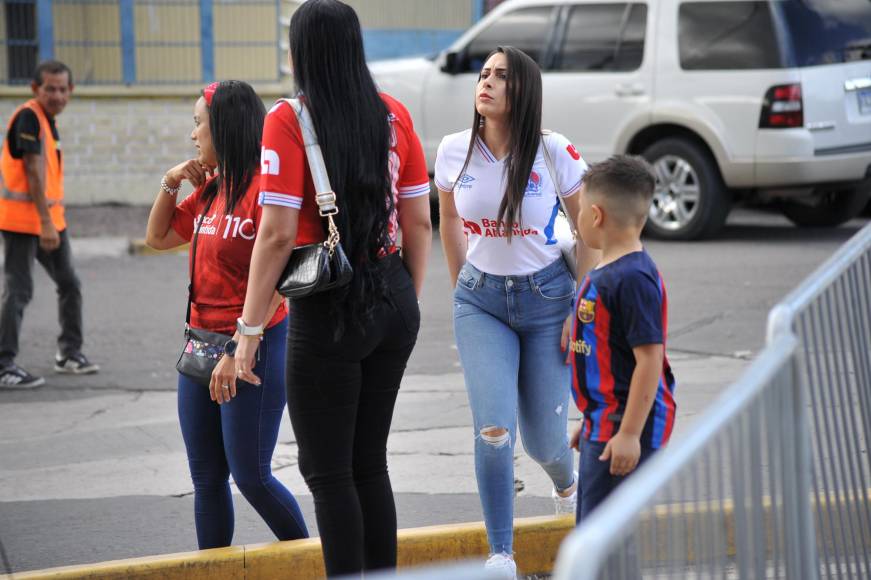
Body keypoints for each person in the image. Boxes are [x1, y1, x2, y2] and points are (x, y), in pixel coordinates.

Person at [233, 1, 432, 575]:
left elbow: (273, 235)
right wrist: (404, 300)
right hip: (393, 290)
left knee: (329, 474)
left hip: (328, 308)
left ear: (302, 53)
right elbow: (418, 221)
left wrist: (248, 331)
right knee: (370, 462)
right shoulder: (394, 114)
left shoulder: (288, 120)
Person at [435, 46, 597, 578]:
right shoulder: (454, 150)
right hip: (481, 302)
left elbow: (591, 232)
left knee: (546, 442)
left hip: (550, 300)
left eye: (500, 76)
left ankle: (567, 485)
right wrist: (463, 284)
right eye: (483, 74)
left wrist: (582, 303)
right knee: (493, 429)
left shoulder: (556, 152)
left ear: (522, 90)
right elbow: (449, 222)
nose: (486, 82)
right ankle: (501, 554)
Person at [145, 80, 308, 549]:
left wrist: (239, 346)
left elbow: (283, 279)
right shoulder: (212, 190)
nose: (193, 135)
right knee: (207, 478)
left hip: (252, 343)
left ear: (225, 127)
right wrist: (170, 182)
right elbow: (158, 237)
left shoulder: (264, 189)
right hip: (200, 342)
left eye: (199, 123)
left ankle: (315, 565)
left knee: (252, 476)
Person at [562, 155, 677, 525]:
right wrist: (594, 415)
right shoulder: (610, 270)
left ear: (596, 216)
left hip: (625, 432)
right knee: (599, 534)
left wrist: (628, 434)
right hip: (606, 422)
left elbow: (649, 360)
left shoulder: (631, 279)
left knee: (601, 540)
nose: (576, 219)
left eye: (578, 212)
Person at [0, 60, 98, 389]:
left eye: (62, 88)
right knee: (18, 290)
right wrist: (44, 222)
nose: (56, 95)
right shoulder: (29, 117)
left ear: (70, 90)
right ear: (35, 89)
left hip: (49, 221)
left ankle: (69, 353)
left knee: (70, 283)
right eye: (49, 89)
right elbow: (31, 171)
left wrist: (51, 222)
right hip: (23, 222)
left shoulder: (47, 120)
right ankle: (3, 363)